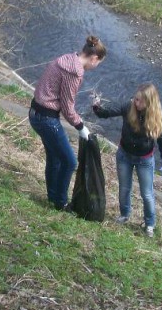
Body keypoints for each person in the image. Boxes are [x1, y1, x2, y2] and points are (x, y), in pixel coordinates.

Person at [28, 35, 107, 210]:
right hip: (46, 118)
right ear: (94, 58)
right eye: (98, 63)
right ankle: (61, 203)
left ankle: (52, 197)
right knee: (70, 162)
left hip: (35, 112)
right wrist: (81, 126)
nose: (96, 66)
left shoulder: (67, 58)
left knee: (55, 158)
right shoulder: (75, 72)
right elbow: (67, 107)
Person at [92, 83, 162, 237]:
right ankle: (124, 214)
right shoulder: (129, 107)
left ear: (150, 103)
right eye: (136, 99)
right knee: (124, 188)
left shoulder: (156, 117)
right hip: (124, 156)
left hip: (145, 160)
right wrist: (97, 107)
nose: (137, 103)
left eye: (141, 101)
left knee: (147, 194)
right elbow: (107, 113)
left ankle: (149, 224)